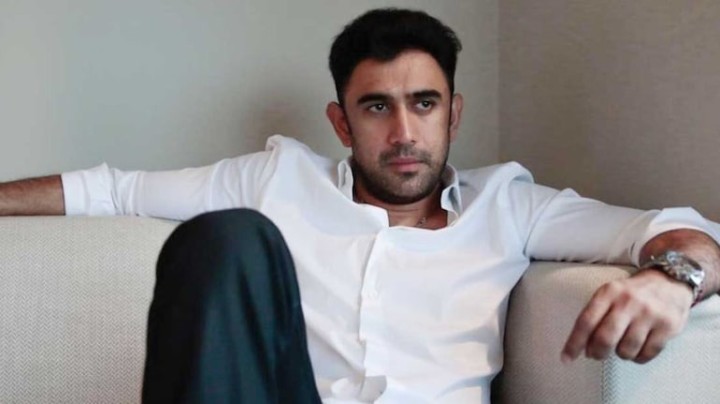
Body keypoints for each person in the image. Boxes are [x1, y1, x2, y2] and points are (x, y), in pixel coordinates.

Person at [1, 7, 719, 404]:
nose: (403, 133)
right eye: (377, 107)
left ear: (453, 114)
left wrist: (671, 280)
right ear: (342, 123)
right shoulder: (279, 178)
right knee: (229, 237)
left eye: (423, 104)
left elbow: (678, 233)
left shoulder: (509, 203)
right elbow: (111, 189)